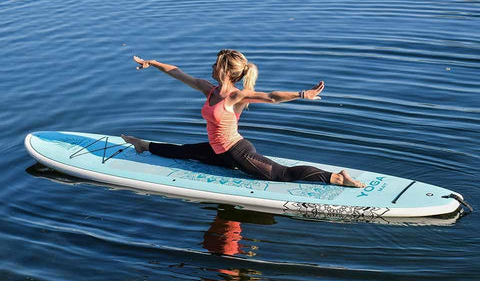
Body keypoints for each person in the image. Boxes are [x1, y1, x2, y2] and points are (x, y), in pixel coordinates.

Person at [122, 49, 365, 187]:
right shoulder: (210, 90)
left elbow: (271, 97)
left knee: (282, 175)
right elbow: (178, 73)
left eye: (215, 63)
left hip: (238, 152)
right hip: (219, 151)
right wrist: (153, 62)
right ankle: (143, 145)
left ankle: (336, 177)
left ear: (225, 71)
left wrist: (302, 94)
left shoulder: (237, 96)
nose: (211, 66)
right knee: (186, 150)